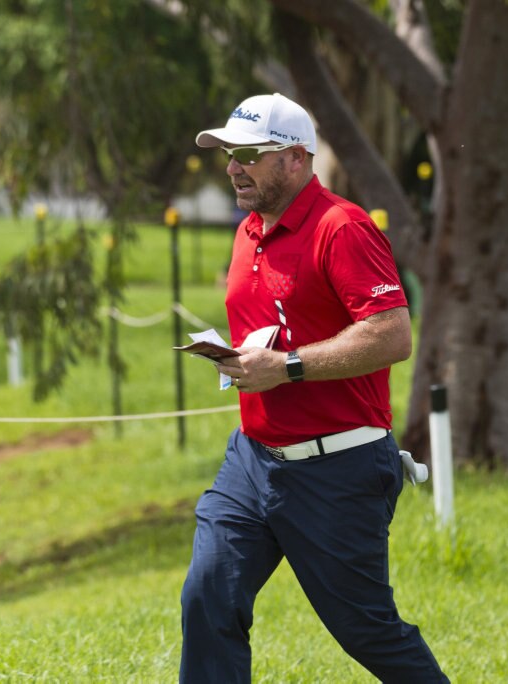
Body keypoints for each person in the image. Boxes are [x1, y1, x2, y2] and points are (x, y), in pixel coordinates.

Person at [179, 93, 447, 683]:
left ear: (297, 159)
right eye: (228, 153)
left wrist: (288, 366)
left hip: (337, 469)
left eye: (249, 153)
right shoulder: (249, 229)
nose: (233, 167)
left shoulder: (342, 227)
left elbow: (393, 335)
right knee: (207, 597)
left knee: (367, 631)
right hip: (251, 460)